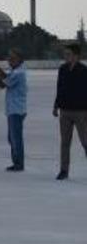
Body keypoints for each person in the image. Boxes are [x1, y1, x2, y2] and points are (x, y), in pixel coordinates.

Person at [0, 49, 27, 172]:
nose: (10, 61)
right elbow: (1, 84)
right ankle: (16, 162)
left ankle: (19, 164)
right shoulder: (13, 71)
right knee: (12, 138)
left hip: (17, 109)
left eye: (13, 58)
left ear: (20, 60)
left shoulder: (19, 72)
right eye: (9, 58)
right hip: (12, 109)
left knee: (16, 138)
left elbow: (6, 82)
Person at [53, 44, 87, 180]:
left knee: (85, 141)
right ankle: (64, 170)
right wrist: (56, 105)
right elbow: (59, 88)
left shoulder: (84, 70)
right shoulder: (62, 69)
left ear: (76, 56)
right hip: (65, 111)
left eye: (68, 54)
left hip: (81, 111)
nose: (66, 56)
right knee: (65, 142)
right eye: (65, 54)